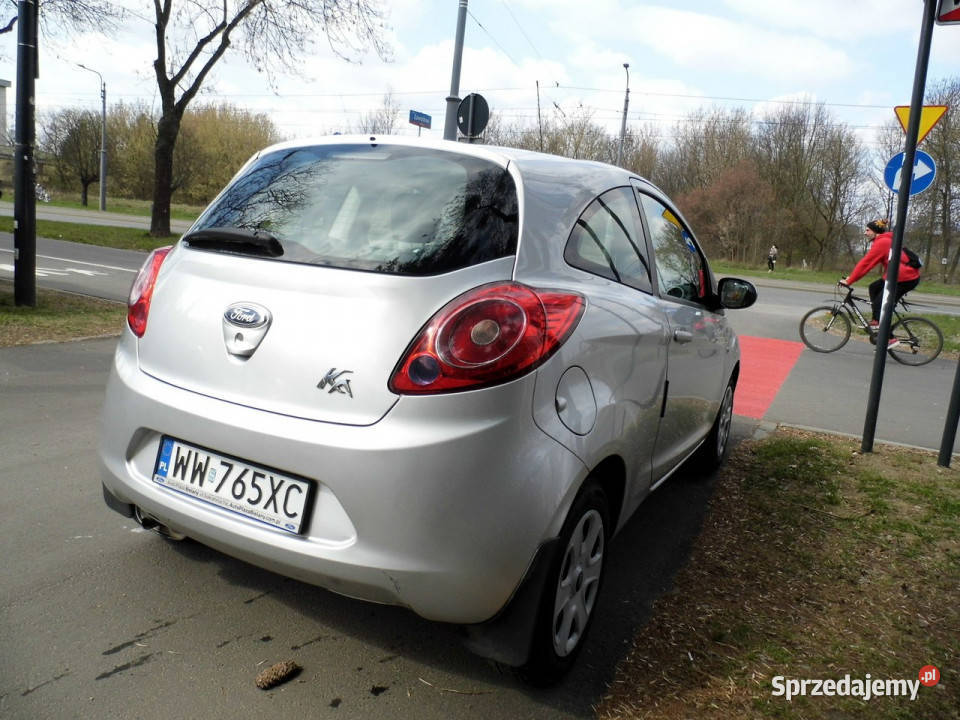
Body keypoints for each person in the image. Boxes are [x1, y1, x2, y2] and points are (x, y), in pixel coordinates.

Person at [841, 219, 921, 348]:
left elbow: (866, 264)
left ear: (875, 231)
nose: (865, 233)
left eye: (868, 230)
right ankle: (877, 320)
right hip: (896, 276)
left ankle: (889, 339)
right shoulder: (884, 241)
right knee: (874, 287)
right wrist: (851, 277)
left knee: (880, 304)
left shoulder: (883, 242)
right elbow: (867, 264)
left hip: (905, 279)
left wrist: (849, 280)